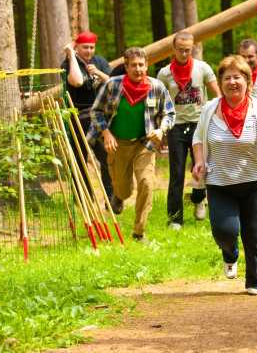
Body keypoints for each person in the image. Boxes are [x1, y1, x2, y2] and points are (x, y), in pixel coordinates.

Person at [191, 55, 257, 296]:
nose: (232, 82)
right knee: (224, 230)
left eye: (237, 77)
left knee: (254, 233)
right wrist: (199, 161)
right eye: (227, 78)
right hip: (220, 182)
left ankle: (254, 281)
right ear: (221, 82)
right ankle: (230, 254)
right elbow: (198, 138)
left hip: (255, 182)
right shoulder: (209, 109)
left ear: (247, 81)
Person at [88, 47, 176, 242]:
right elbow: (96, 112)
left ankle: (139, 232)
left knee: (146, 183)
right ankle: (119, 196)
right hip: (118, 144)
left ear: (147, 66)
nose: (138, 69)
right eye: (134, 65)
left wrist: (161, 129)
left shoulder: (157, 87)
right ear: (126, 67)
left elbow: (169, 113)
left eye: (141, 65)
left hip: (145, 144)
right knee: (123, 188)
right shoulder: (113, 85)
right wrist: (106, 132)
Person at [157, 32, 221, 230]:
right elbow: (160, 103)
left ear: (192, 48)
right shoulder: (164, 73)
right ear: (173, 49)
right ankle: (175, 218)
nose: (184, 53)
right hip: (176, 126)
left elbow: (217, 95)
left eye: (188, 50)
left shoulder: (203, 68)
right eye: (181, 50)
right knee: (176, 173)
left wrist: (218, 120)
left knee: (202, 167)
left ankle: (199, 197)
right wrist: (160, 131)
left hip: (199, 124)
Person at [61, 31, 113, 201]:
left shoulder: (100, 62)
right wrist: (71, 55)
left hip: (98, 117)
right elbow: (76, 81)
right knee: (79, 159)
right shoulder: (68, 63)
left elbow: (113, 83)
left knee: (106, 157)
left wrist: (98, 72)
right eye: (85, 47)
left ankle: (111, 197)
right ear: (77, 47)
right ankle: (84, 199)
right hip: (77, 116)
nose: (89, 51)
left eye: (91, 47)